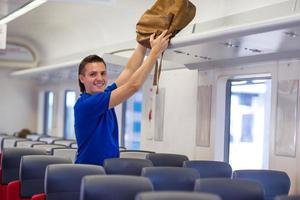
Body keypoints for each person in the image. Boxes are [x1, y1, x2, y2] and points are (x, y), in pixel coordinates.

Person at [74, 30, 170, 165]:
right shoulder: (87, 104)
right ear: (82, 78)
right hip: (88, 172)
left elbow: (129, 71)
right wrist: (154, 53)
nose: (100, 78)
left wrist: (143, 42)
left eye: (103, 73)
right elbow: (133, 86)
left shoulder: (104, 95)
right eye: (93, 74)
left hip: (108, 171)